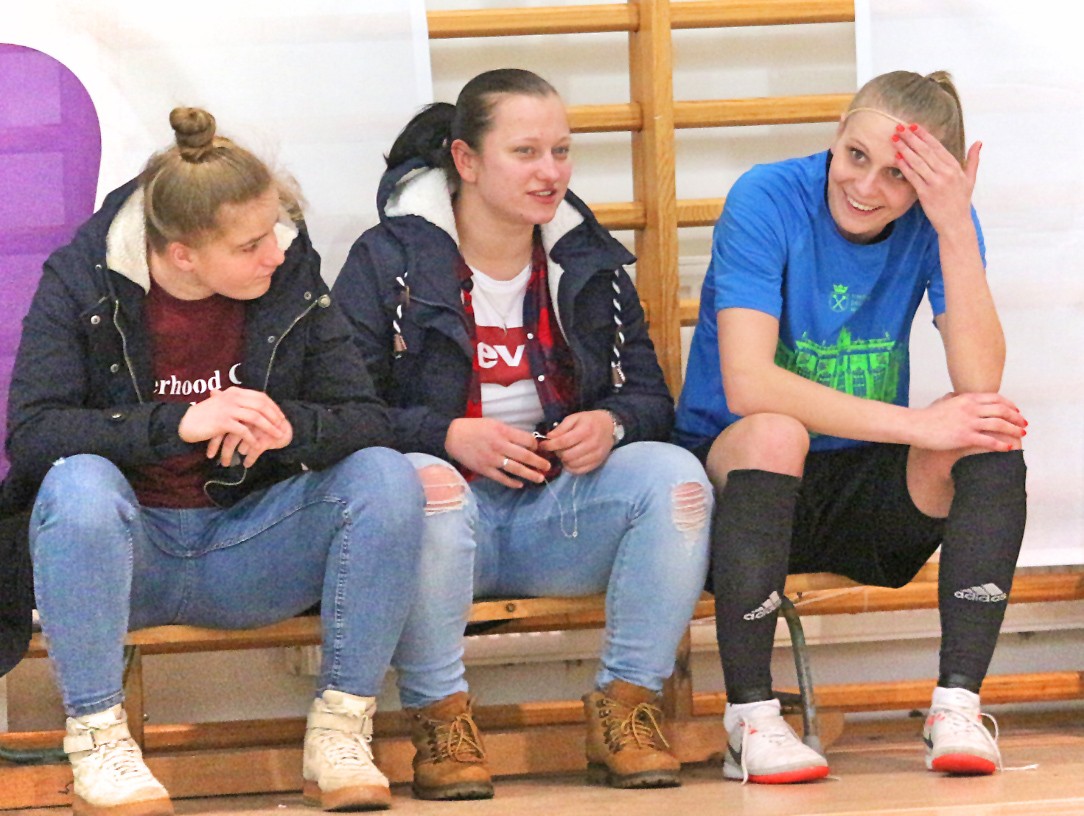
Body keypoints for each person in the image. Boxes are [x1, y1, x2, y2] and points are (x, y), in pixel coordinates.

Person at [3, 107, 425, 814]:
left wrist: (285, 428)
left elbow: (364, 415)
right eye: (250, 245)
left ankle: (341, 733)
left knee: (386, 475)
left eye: (273, 232)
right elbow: (34, 435)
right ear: (182, 256)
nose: (274, 255)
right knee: (79, 483)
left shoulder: (290, 271)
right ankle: (98, 743)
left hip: (248, 546)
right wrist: (179, 423)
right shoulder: (85, 277)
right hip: (127, 560)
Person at [333, 68, 713, 798]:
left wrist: (612, 422)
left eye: (561, 152)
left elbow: (649, 398)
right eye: (526, 152)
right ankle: (441, 723)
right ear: (467, 161)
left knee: (677, 480)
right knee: (428, 485)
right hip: (441, 523)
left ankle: (626, 709)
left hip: (554, 518)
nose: (550, 173)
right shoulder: (388, 260)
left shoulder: (588, 258)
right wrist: (447, 435)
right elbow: (342, 413)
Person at [675, 70, 1027, 784]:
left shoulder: (941, 220)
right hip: (741, 489)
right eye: (856, 156)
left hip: (857, 490)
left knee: (988, 430)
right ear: (836, 135)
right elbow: (749, 384)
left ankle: (957, 707)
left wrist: (955, 226)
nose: (866, 187)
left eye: (899, 175)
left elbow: (979, 379)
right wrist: (917, 425)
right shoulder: (767, 196)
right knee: (778, 430)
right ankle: (751, 720)